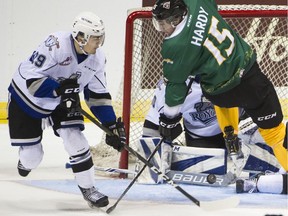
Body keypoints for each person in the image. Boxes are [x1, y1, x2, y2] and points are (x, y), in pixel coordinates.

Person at [151, 0, 287, 172]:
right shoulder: (197, 3)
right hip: (250, 79)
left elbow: (175, 89)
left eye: (163, 23)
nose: (162, 29)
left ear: (176, 19)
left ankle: (230, 134)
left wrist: (168, 121)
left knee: (220, 93)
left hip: (220, 94)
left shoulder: (174, 46)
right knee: (274, 134)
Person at [7, 12, 126, 209]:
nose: (99, 43)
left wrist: (111, 125)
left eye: (101, 38)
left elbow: (97, 95)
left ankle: (89, 189)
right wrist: (57, 89)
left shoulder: (97, 59)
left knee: (76, 140)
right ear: (80, 37)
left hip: (64, 97)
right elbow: (31, 81)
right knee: (32, 157)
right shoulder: (56, 44)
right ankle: (25, 162)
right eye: (95, 38)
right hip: (28, 97)